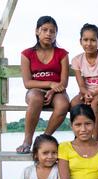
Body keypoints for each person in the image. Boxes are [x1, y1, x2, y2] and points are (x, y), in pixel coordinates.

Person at [17, 16, 70, 154]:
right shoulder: (27, 54)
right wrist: (50, 83)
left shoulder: (62, 54)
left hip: (57, 92)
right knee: (36, 98)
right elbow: (27, 83)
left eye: (52, 31)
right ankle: (27, 140)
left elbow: (64, 82)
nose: (48, 34)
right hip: (35, 90)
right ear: (37, 31)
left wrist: (53, 90)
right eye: (44, 30)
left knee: (63, 104)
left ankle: (44, 138)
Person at [71, 23, 98, 140]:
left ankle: (95, 138)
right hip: (86, 92)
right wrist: (85, 93)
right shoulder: (77, 60)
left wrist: (92, 95)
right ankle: (78, 137)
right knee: (74, 103)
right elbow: (81, 84)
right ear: (80, 41)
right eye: (85, 40)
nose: (89, 44)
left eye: (93, 40)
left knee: (95, 104)